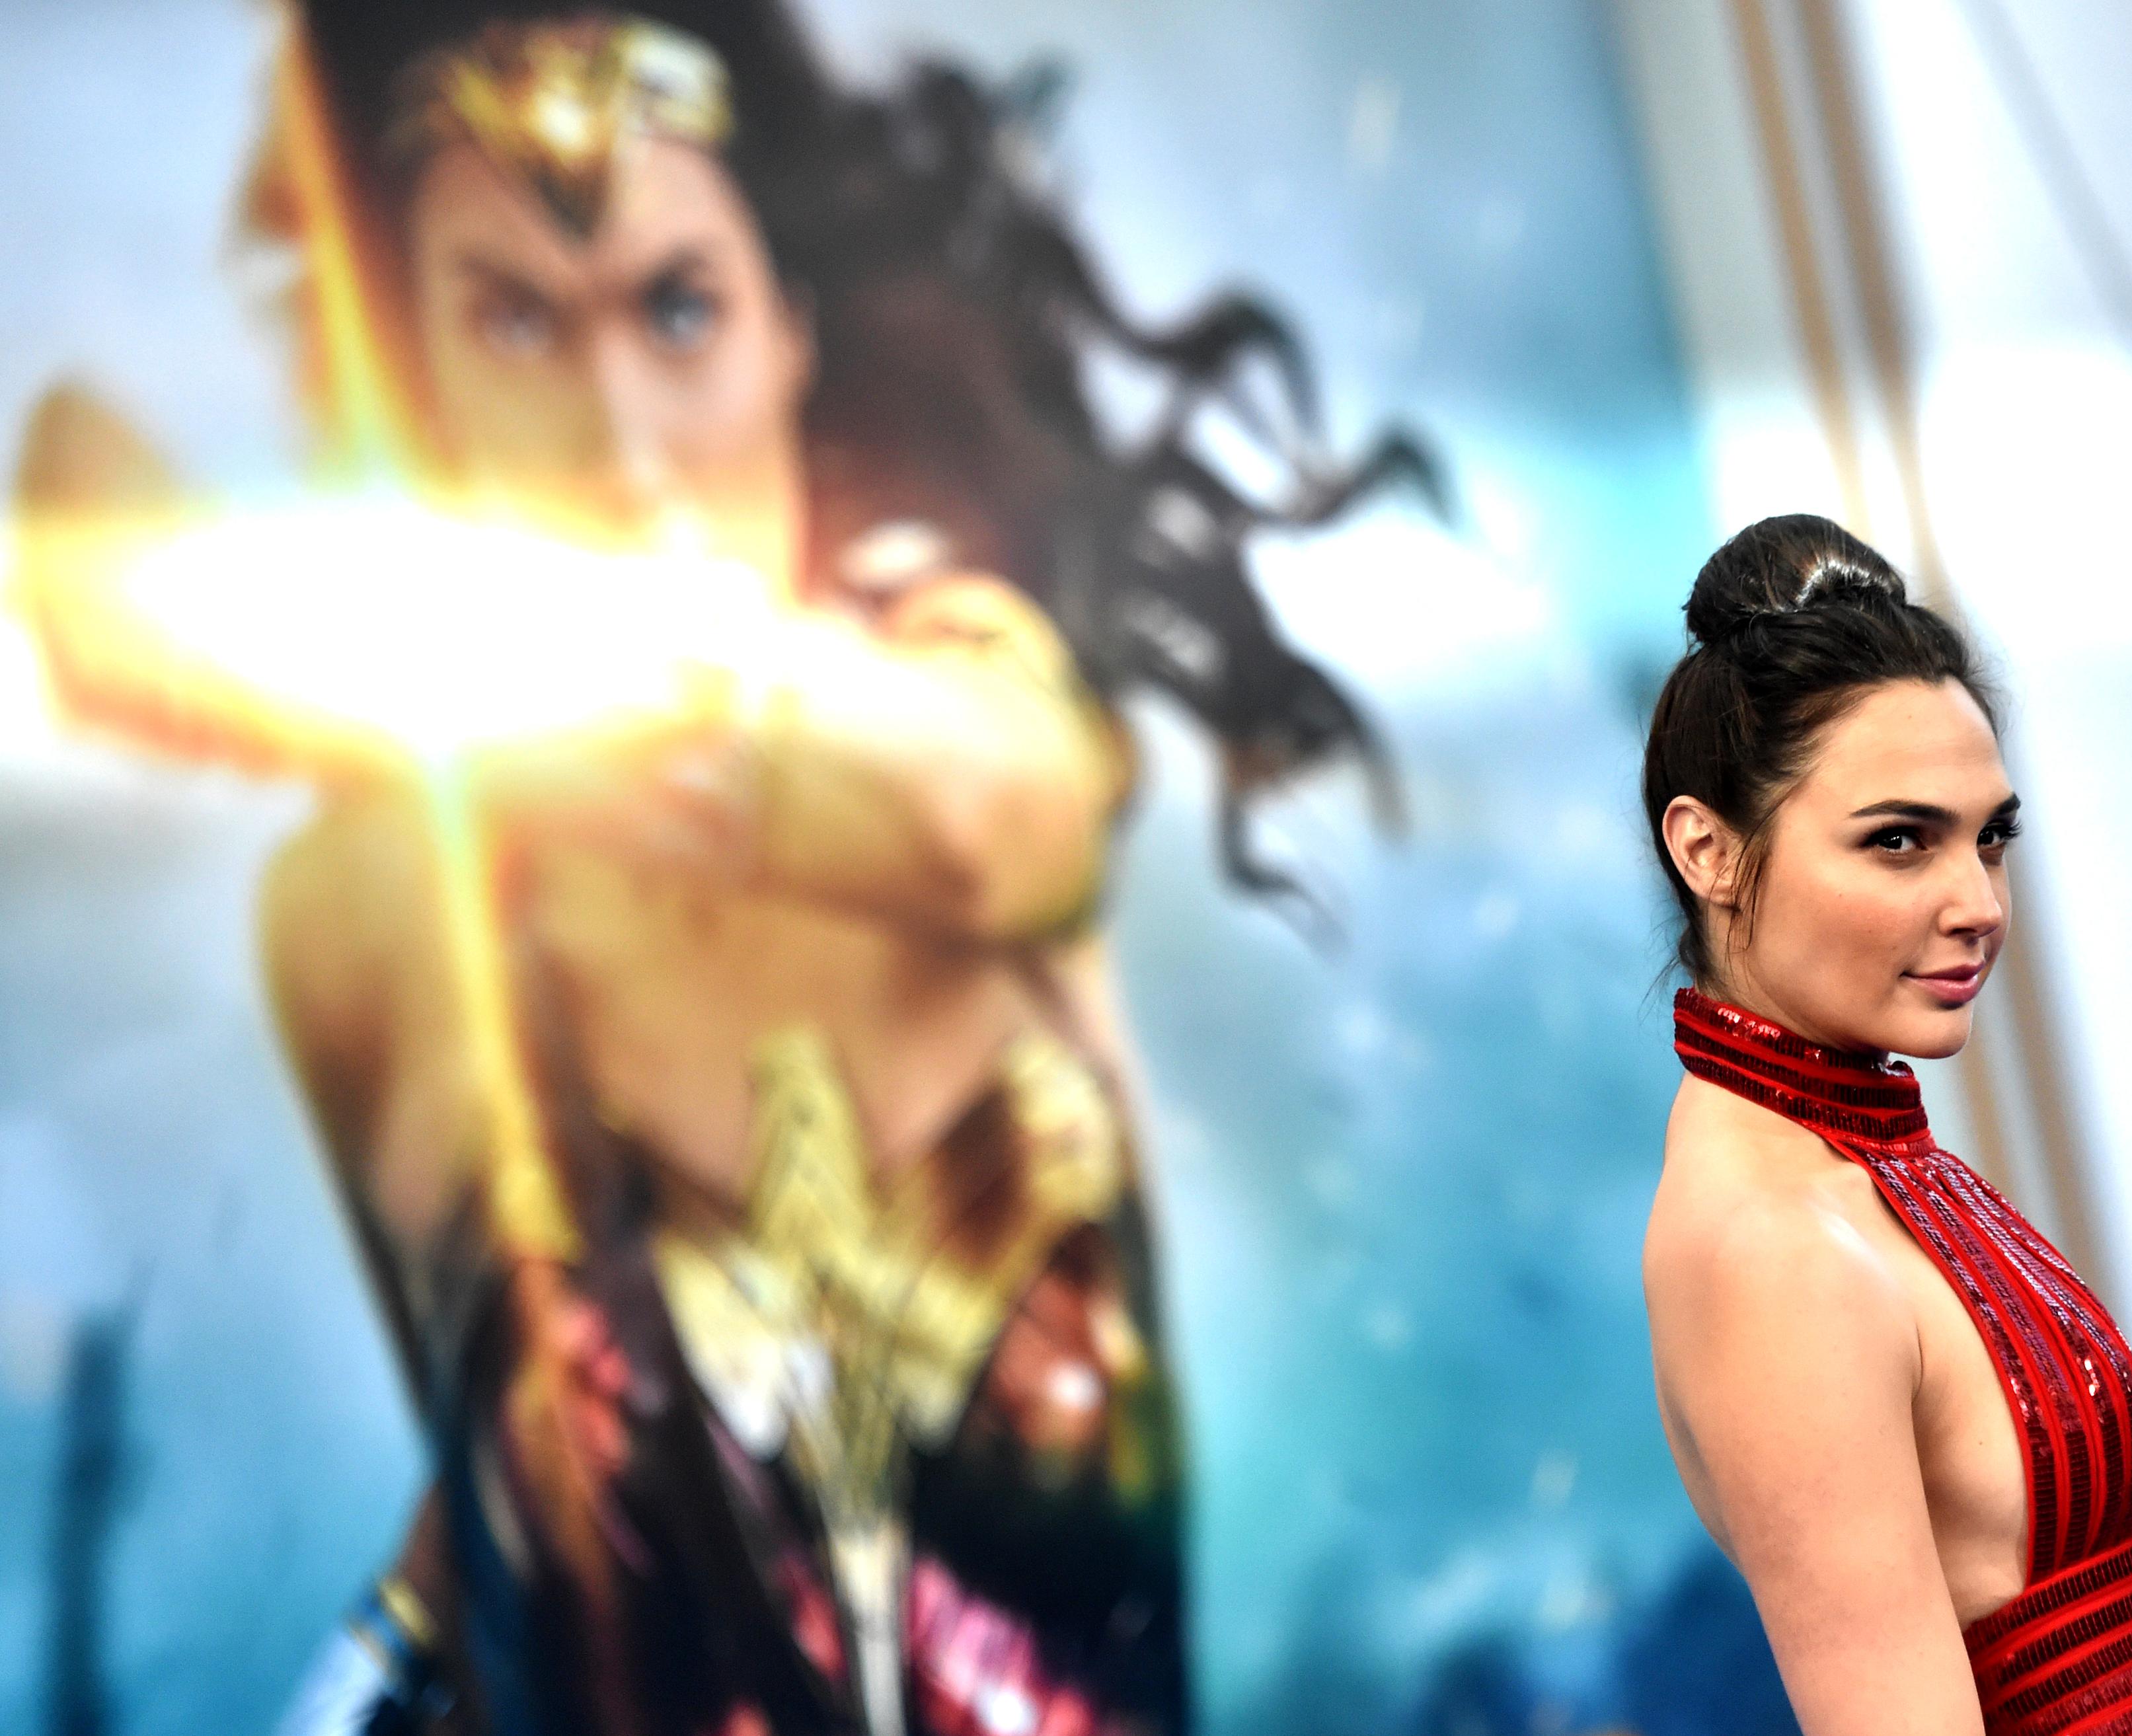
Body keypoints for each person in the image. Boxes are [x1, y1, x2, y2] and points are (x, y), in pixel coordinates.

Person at [13, 3, 1433, 1732]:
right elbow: (538, 1531)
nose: (620, 441)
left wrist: (256, 646)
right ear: (422, 377)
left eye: (678, 309)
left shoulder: (973, 712)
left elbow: (968, 815)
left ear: (787, 334)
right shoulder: (367, 927)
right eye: (515, 322)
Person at [1636, 515, 2132, 1736]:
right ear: (1708, 850)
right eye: (1899, 841)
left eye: (1990, 840)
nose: (1978, 902)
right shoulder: (1777, 1251)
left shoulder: (1863, 1171)